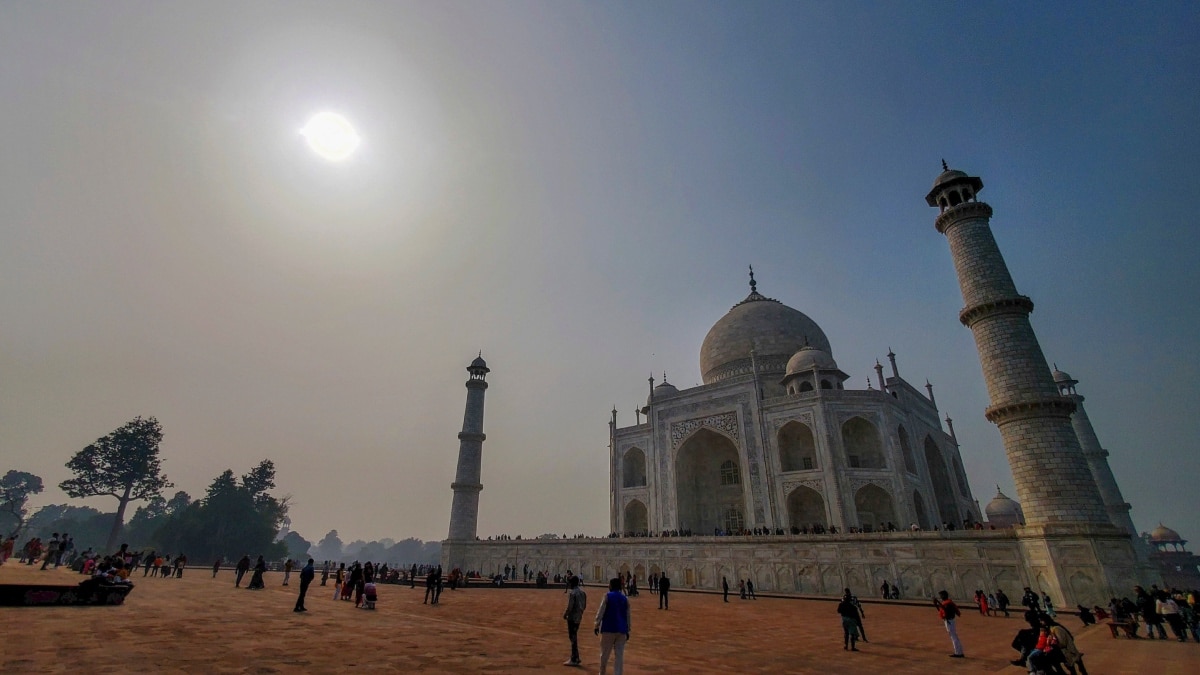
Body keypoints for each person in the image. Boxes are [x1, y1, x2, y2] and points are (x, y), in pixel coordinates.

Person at [594, 577, 631, 675]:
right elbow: (628, 616)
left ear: (611, 586)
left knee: (604, 654)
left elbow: (601, 611)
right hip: (622, 630)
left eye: (609, 584)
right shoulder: (625, 599)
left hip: (608, 629)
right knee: (619, 656)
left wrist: (596, 625)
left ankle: (602, 673)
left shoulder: (607, 596)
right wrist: (628, 629)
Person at [563, 575, 587, 667]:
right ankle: (576, 657)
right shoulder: (582, 593)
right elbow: (584, 606)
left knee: (572, 637)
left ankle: (574, 658)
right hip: (579, 617)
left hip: (572, 617)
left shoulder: (573, 593)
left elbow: (570, 607)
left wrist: (565, 614)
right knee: (574, 636)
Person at [934, 590, 965, 658]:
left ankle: (958, 653)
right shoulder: (946, 603)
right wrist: (936, 604)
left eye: (941, 596)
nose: (940, 597)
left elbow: (946, 610)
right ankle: (959, 652)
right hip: (949, 621)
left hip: (949, 621)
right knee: (954, 636)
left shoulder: (948, 603)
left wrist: (938, 603)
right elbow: (941, 611)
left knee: (953, 637)